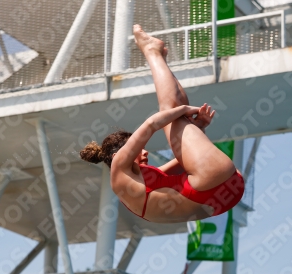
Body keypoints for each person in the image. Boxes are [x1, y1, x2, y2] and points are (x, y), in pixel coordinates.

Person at [80, 25, 244, 223]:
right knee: (170, 110)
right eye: (139, 149)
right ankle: (151, 51)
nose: (145, 152)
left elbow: (181, 160)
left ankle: (159, 59)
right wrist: (184, 111)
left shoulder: (137, 183)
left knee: (176, 116)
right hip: (210, 187)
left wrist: (196, 128)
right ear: (118, 155)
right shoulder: (119, 168)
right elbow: (151, 124)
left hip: (222, 198)